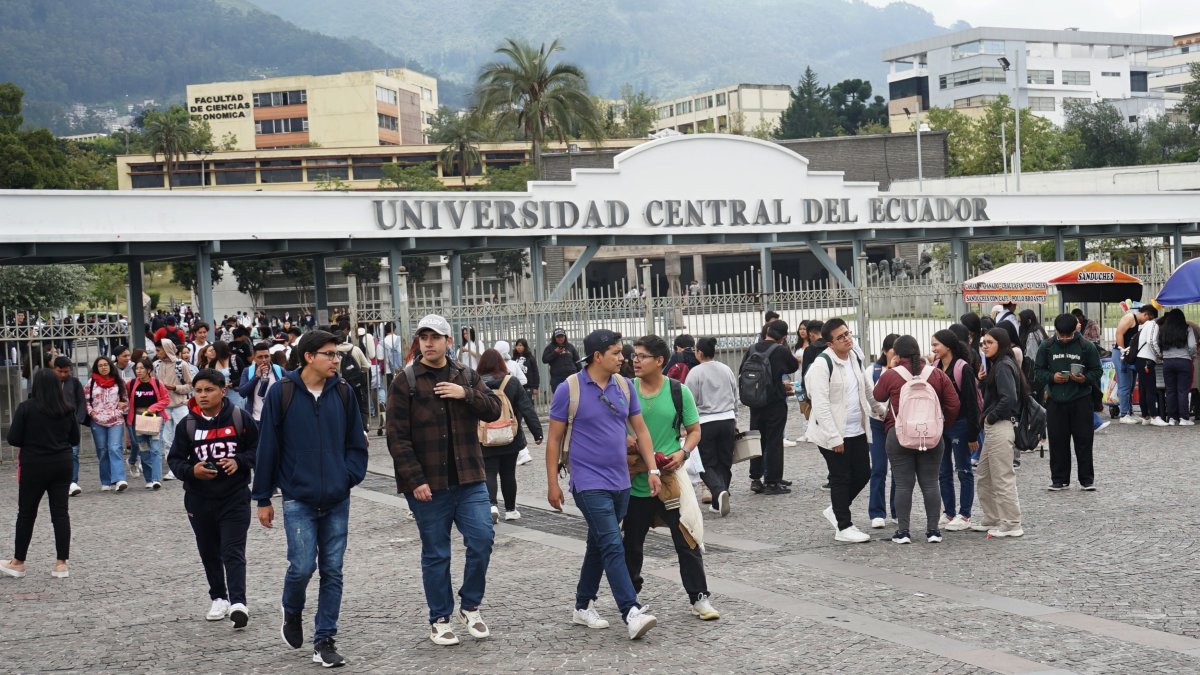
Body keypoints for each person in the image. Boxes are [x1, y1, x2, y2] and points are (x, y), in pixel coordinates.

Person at [252, 330, 369, 668]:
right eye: (330, 354)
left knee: (333, 569)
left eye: (336, 354)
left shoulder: (344, 392)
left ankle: (325, 639)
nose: (337, 360)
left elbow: (356, 444)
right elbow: (268, 446)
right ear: (309, 357)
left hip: (336, 498)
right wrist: (262, 496)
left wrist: (347, 477)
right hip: (298, 498)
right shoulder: (282, 392)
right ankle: (291, 611)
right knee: (302, 568)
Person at [386, 315, 502, 646]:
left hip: (469, 479)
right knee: (437, 553)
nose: (429, 342)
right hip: (428, 485)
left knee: (482, 539)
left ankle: (470, 606)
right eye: (424, 336)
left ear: (449, 341)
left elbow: (494, 410)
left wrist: (465, 394)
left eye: (435, 336)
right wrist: (415, 479)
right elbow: (397, 437)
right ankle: (439, 618)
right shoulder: (405, 381)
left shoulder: (466, 375)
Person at [545, 329, 660, 640]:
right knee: (612, 543)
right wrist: (552, 484)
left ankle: (582, 606)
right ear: (597, 356)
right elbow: (554, 439)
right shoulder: (568, 388)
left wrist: (653, 470)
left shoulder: (624, 386)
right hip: (587, 481)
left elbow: (641, 431)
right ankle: (631, 611)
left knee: (598, 543)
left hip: (621, 481)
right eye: (616, 353)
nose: (623, 358)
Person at [623, 335, 718, 619]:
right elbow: (613, 425)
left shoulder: (678, 391)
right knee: (631, 544)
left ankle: (699, 597)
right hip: (636, 480)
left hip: (670, 479)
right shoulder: (626, 390)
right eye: (634, 356)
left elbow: (695, 430)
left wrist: (684, 453)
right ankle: (630, 599)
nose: (635, 361)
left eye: (642, 356)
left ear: (660, 361)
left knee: (686, 538)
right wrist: (626, 439)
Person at [167, 368, 258, 629]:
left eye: (209, 390)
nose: (203, 395)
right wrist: (191, 471)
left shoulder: (240, 418)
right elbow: (175, 459)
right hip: (199, 499)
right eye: (198, 391)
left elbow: (258, 447)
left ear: (222, 390)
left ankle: (239, 602)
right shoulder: (189, 424)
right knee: (209, 551)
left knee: (233, 550)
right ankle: (219, 596)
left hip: (235, 497)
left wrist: (239, 461)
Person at [805, 319, 887, 543]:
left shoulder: (853, 357)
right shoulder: (822, 365)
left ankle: (836, 509)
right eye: (840, 337)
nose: (847, 339)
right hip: (832, 432)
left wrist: (879, 409)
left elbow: (865, 387)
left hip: (856, 428)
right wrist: (833, 437)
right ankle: (843, 525)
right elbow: (820, 404)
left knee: (862, 473)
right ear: (830, 344)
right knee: (841, 477)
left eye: (847, 333)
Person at [873, 335, 960, 545]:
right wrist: (940, 425)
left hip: (899, 435)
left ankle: (903, 532)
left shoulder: (892, 375)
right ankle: (933, 531)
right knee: (931, 483)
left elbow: (877, 395)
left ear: (897, 354)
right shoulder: (936, 374)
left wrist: (889, 368)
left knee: (903, 484)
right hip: (931, 436)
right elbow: (954, 404)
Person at [1, 369, 80, 579]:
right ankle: (61, 563)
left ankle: (18, 562)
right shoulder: (67, 409)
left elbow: (13, 438)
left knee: (26, 514)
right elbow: (75, 439)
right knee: (60, 513)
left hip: (34, 464)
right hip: (62, 463)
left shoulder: (26, 408)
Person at [1034, 313, 1103, 492]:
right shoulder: (1047, 346)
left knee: (1084, 441)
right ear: (1056, 331)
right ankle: (1059, 479)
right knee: (1057, 441)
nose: (1064, 339)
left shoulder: (1086, 346)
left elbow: (1097, 370)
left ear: (1076, 329)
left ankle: (1086, 480)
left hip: (1081, 399)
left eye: (1068, 335)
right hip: (1056, 400)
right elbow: (1038, 371)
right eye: (1061, 335)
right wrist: (1051, 377)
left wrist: (1084, 379)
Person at [476, 348, 542, 522]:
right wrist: (537, 432)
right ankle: (511, 510)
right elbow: (526, 407)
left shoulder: (476, 383)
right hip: (509, 436)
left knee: (489, 472)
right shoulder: (511, 382)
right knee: (508, 473)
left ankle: (492, 506)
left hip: (485, 437)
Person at [974, 328, 1025, 537]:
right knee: (984, 475)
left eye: (989, 342)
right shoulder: (997, 364)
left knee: (1002, 476)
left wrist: (990, 417)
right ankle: (992, 517)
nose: (985, 346)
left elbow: (1008, 398)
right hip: (995, 426)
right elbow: (996, 394)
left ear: (1001, 344)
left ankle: (1012, 523)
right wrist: (983, 380)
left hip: (1001, 425)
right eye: (983, 343)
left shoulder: (1003, 365)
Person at [740, 319, 800, 495]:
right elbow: (793, 365)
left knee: (757, 439)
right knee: (774, 440)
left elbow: (742, 369)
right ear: (783, 336)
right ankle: (772, 482)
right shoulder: (780, 350)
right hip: (774, 402)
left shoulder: (752, 348)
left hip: (755, 401)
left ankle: (756, 479)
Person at [931, 329, 981, 531]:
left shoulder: (963, 368)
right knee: (943, 471)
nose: (933, 348)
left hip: (960, 425)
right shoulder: (934, 367)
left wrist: (972, 434)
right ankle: (949, 511)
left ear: (948, 346)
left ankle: (965, 514)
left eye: (936, 345)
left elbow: (971, 402)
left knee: (963, 470)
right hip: (941, 425)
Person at [689, 336, 738, 517]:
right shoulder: (726, 369)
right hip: (727, 420)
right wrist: (735, 420)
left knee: (705, 463)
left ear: (699, 352)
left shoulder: (695, 373)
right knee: (725, 461)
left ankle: (718, 492)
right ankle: (720, 500)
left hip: (705, 422)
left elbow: (689, 402)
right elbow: (735, 395)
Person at [867, 334, 899, 529]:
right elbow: (873, 397)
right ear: (885, 351)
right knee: (878, 468)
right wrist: (882, 413)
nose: (897, 356)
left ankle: (898, 509)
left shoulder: (907, 371)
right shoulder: (873, 370)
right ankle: (877, 512)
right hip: (878, 423)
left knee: (899, 469)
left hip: (898, 425)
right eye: (893, 352)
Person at [85, 355, 129, 492]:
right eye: (100, 365)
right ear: (96, 368)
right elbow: (86, 400)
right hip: (97, 420)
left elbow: (126, 400)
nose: (103, 367)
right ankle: (106, 480)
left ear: (110, 366)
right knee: (102, 450)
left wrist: (121, 408)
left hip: (115, 419)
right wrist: (91, 413)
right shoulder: (91, 383)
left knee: (115, 448)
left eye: (105, 365)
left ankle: (119, 479)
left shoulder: (119, 382)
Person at [126, 357, 170, 489]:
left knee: (155, 449)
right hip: (137, 420)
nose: (138, 371)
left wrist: (153, 408)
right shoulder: (131, 384)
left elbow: (165, 399)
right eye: (137, 368)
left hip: (155, 419)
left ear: (148, 370)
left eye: (141, 368)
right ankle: (149, 478)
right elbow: (125, 397)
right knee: (144, 449)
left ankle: (157, 479)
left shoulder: (157, 383)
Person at [155, 340, 195, 481]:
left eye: (159, 350)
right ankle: (173, 469)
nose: (157, 353)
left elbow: (190, 385)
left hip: (180, 405)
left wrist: (175, 388)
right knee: (167, 440)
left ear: (166, 349)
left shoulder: (181, 365)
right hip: (164, 408)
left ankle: (188, 463)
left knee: (185, 436)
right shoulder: (156, 365)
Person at [51, 357, 88, 497]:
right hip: (52, 423)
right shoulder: (48, 382)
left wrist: (78, 419)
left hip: (71, 423)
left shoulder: (74, 382)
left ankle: (72, 481)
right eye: (60, 371)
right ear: (54, 369)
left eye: (66, 372)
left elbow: (81, 402)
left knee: (73, 453)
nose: (63, 375)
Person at [1114, 305, 1156, 424]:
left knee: (1131, 385)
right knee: (1125, 385)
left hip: (1129, 356)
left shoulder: (1138, 322)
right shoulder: (1129, 318)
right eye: (1149, 318)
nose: (1148, 322)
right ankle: (1124, 414)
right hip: (1121, 354)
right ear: (1145, 314)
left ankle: (1130, 412)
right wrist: (1123, 351)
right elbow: (1119, 334)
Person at [1159, 308, 1196, 426]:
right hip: (1184, 361)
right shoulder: (1187, 329)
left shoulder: (1163, 330)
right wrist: (1192, 356)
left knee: (1170, 391)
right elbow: (1192, 345)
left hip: (1168, 362)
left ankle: (1172, 418)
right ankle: (1184, 418)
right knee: (1182, 391)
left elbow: (1157, 343)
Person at [1134, 305, 1167, 426]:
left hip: (1140, 360)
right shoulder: (1153, 324)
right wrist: (1159, 354)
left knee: (1143, 389)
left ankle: (1146, 416)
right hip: (1147, 360)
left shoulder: (1142, 326)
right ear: (1151, 315)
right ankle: (1154, 416)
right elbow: (1152, 341)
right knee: (1151, 389)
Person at [237, 342, 285, 423]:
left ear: (270, 356)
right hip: (256, 418)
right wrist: (256, 377)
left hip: (276, 418)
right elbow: (242, 392)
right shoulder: (248, 371)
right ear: (254, 358)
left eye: (266, 356)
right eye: (260, 357)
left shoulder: (279, 370)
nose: (264, 360)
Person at [542, 328, 581, 393]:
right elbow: (544, 359)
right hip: (557, 378)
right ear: (554, 338)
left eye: (562, 336)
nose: (560, 338)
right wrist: (555, 353)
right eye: (558, 337)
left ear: (565, 337)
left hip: (571, 376)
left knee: (573, 397)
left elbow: (577, 361)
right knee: (559, 397)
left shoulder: (570, 346)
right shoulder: (550, 347)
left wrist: (580, 374)